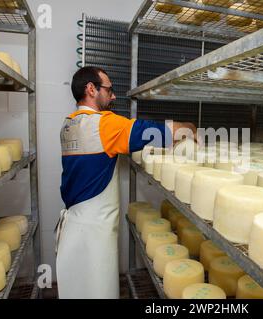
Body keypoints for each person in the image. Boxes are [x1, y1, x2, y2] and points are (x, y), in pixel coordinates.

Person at [56, 66, 196, 299]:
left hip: (73, 225)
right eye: (109, 90)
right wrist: (190, 128)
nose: (113, 96)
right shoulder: (105, 124)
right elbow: (162, 132)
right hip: (94, 233)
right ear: (91, 89)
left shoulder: (68, 124)